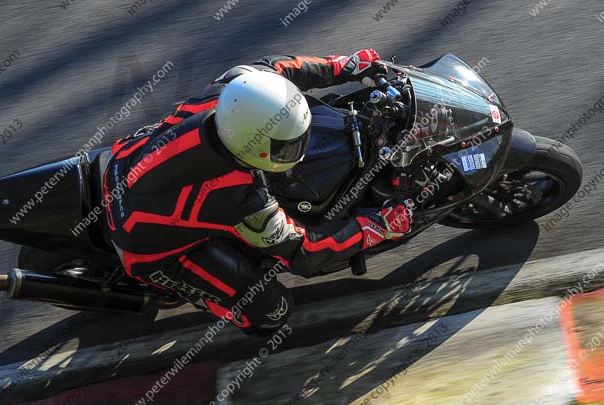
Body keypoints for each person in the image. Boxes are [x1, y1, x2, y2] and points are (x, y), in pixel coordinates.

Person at [103, 49, 413, 335]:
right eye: (290, 147)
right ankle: (199, 294)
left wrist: (343, 66)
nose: (300, 150)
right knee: (272, 313)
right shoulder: (243, 198)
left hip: (121, 161)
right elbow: (304, 252)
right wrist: (375, 228)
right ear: (255, 150)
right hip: (147, 247)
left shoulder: (234, 86)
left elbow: (279, 69)